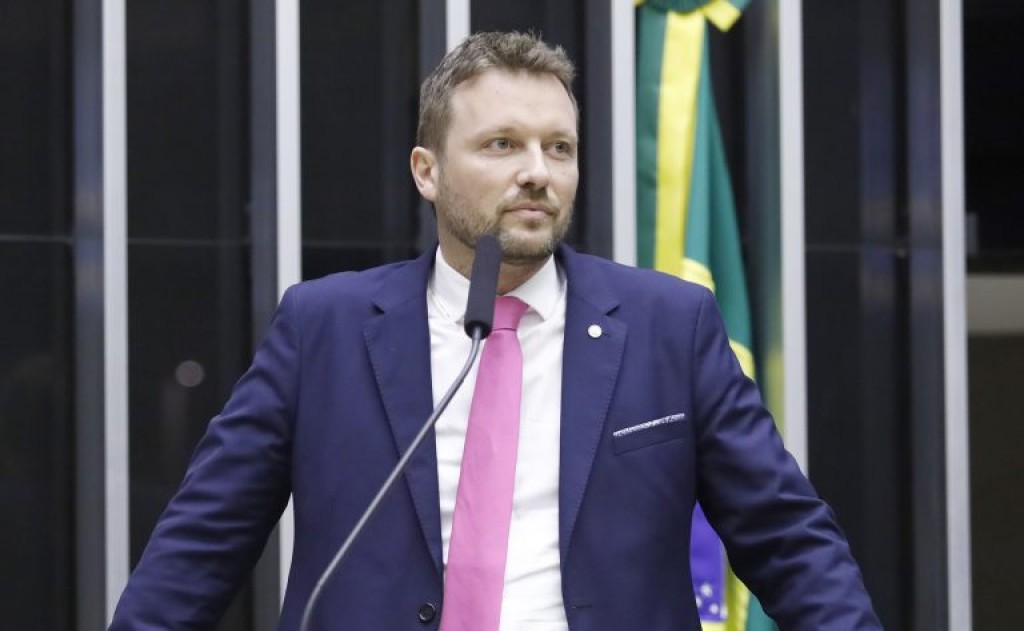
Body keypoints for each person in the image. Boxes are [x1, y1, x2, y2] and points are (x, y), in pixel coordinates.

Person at [109, 31, 881, 631]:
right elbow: (200, 545)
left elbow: (789, 540)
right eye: (502, 144)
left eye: (559, 147)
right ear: (427, 170)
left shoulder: (669, 326)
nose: (537, 171)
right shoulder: (324, 329)